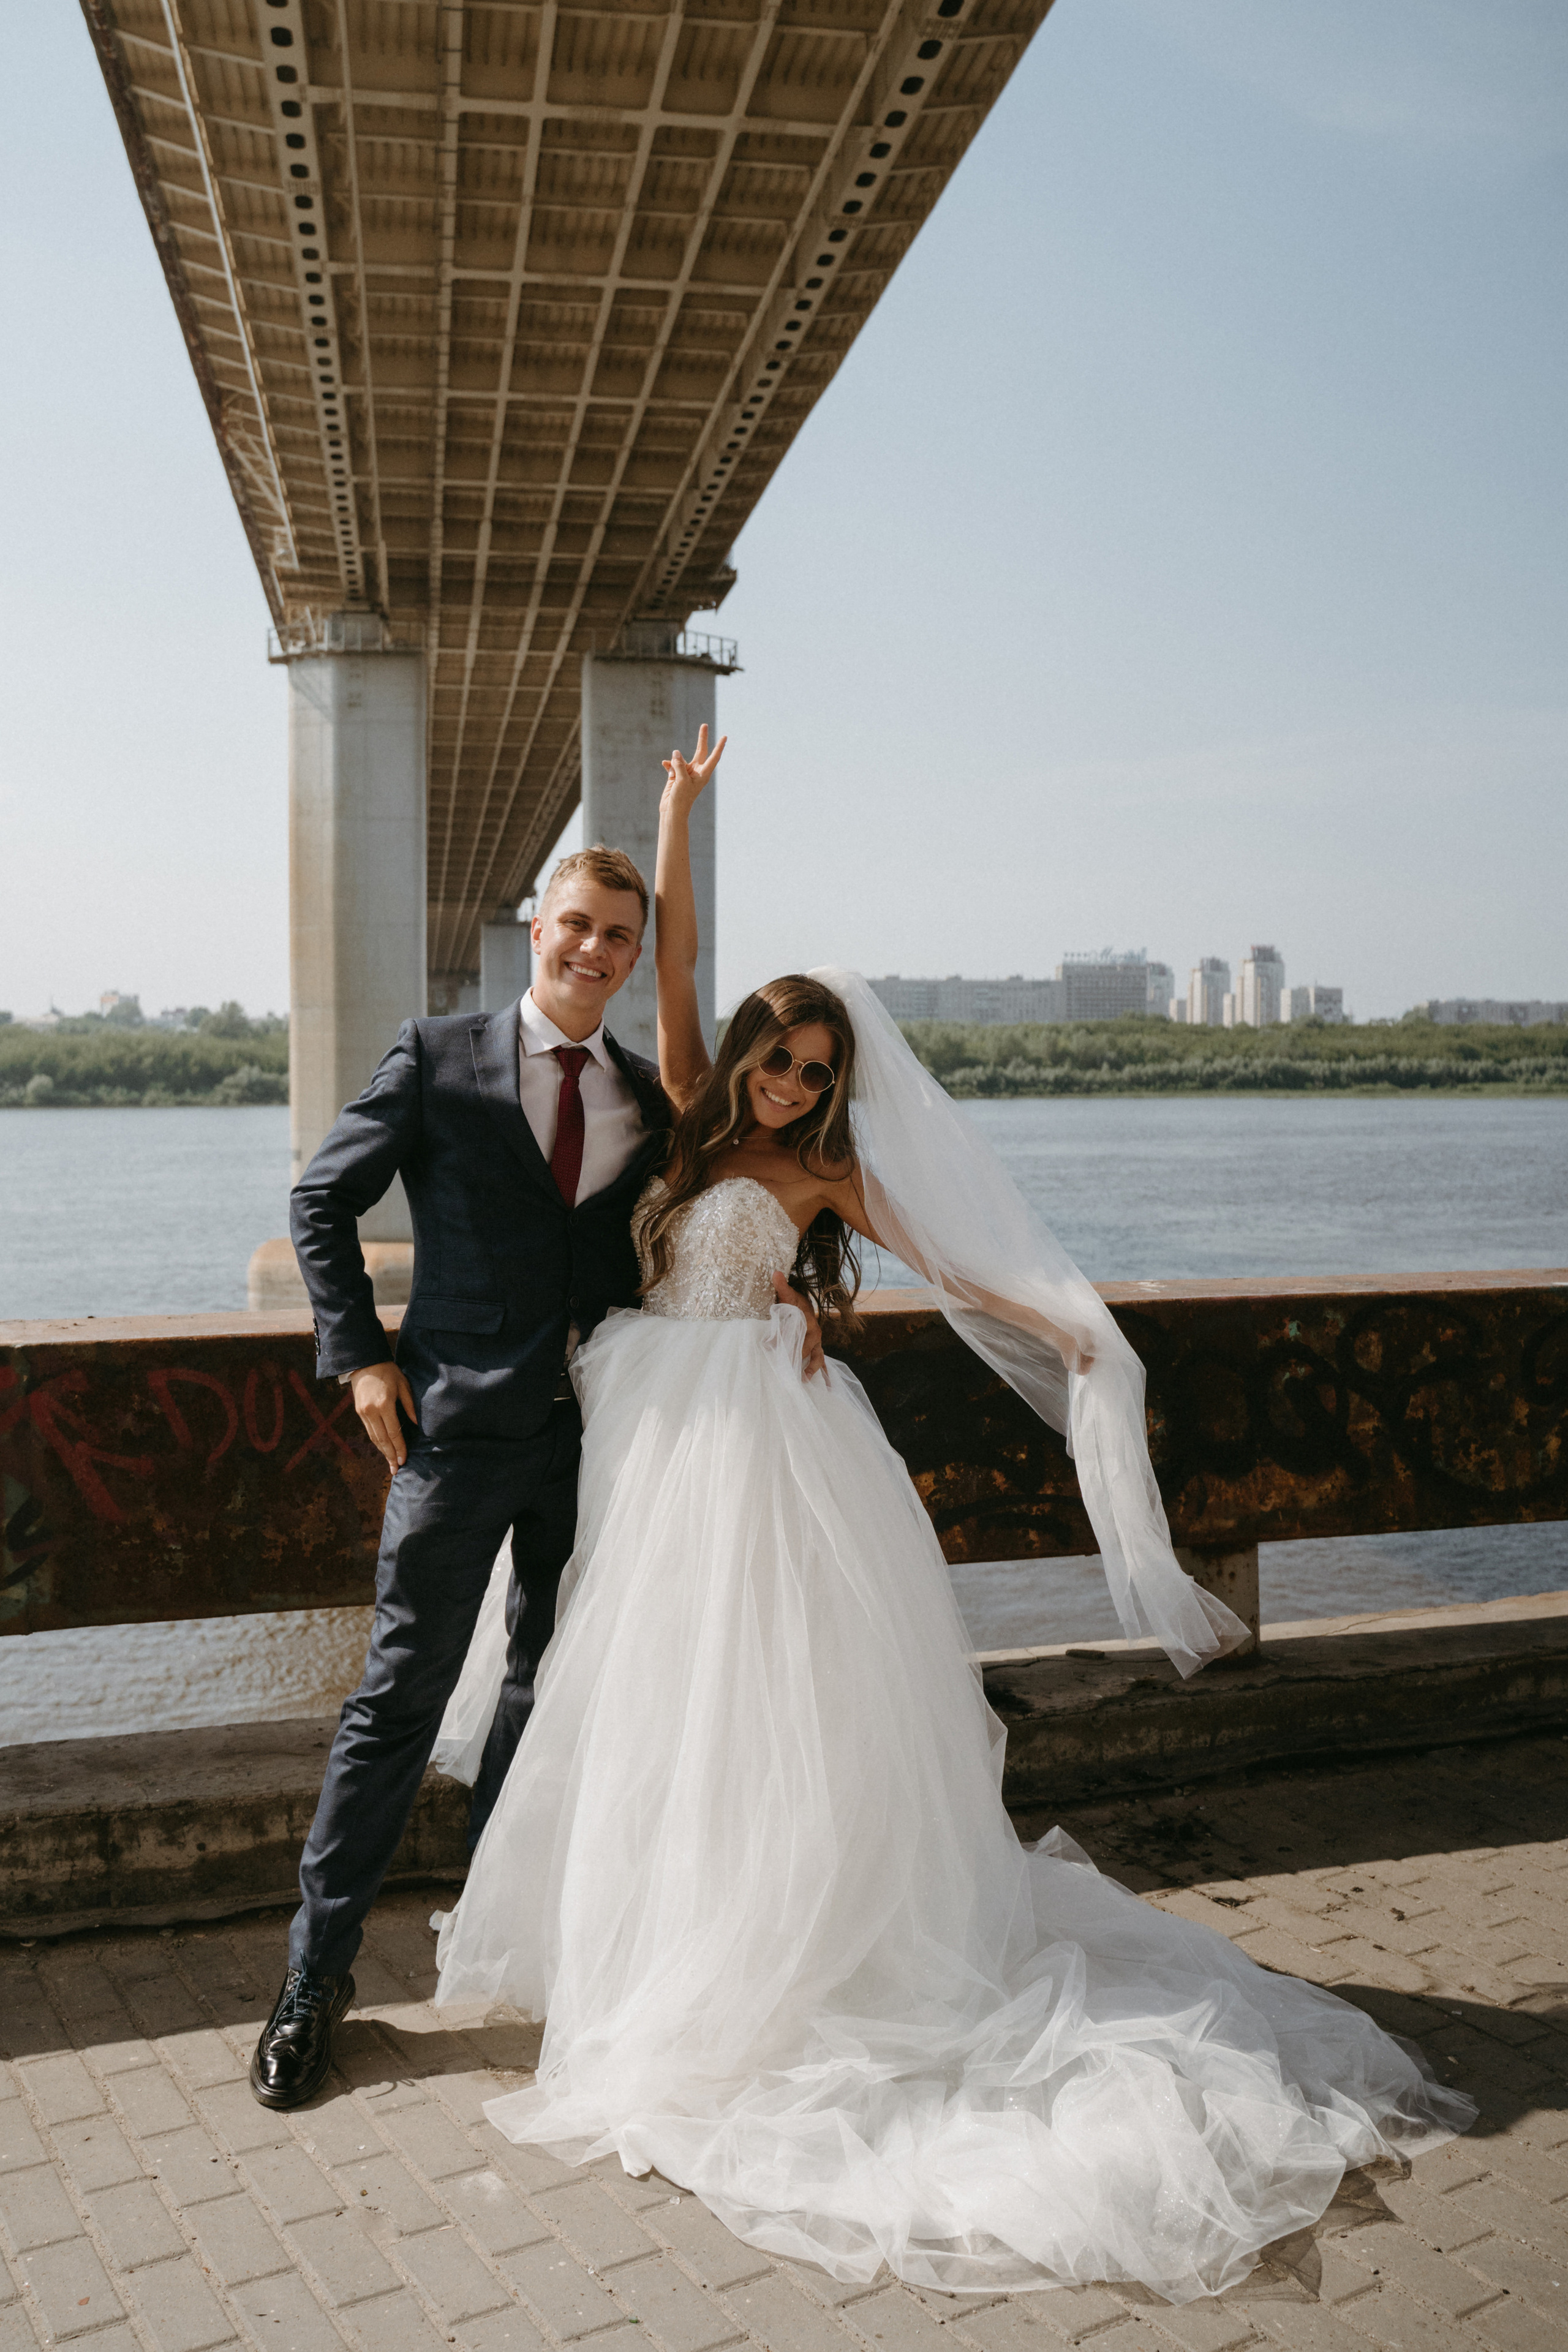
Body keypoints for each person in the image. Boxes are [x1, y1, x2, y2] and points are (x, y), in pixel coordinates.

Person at [431, 733, 1473, 2301]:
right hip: (654, 1424)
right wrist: (670, 816)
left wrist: (1060, 1327)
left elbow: (944, 1261)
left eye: (809, 1071)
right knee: (649, 1694)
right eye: (775, 1057)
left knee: (768, 1700)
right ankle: (660, 1946)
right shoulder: (702, 1106)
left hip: (765, 1444)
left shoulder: (829, 1176)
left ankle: (783, 1963)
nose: (784, 1083)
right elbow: (693, 953)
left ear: (835, 1087)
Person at [251, 833, 825, 2112]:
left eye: (618, 936)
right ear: (536, 927)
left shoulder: (644, 1091)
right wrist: (357, 1358)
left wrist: (783, 1293)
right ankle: (313, 1981)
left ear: (631, 955)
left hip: (603, 1437)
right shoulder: (432, 1056)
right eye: (576, 925)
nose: (593, 950)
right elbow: (319, 1203)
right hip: (451, 1431)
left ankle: (507, 1924)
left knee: (553, 1686)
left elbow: (696, 1222)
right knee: (397, 1698)